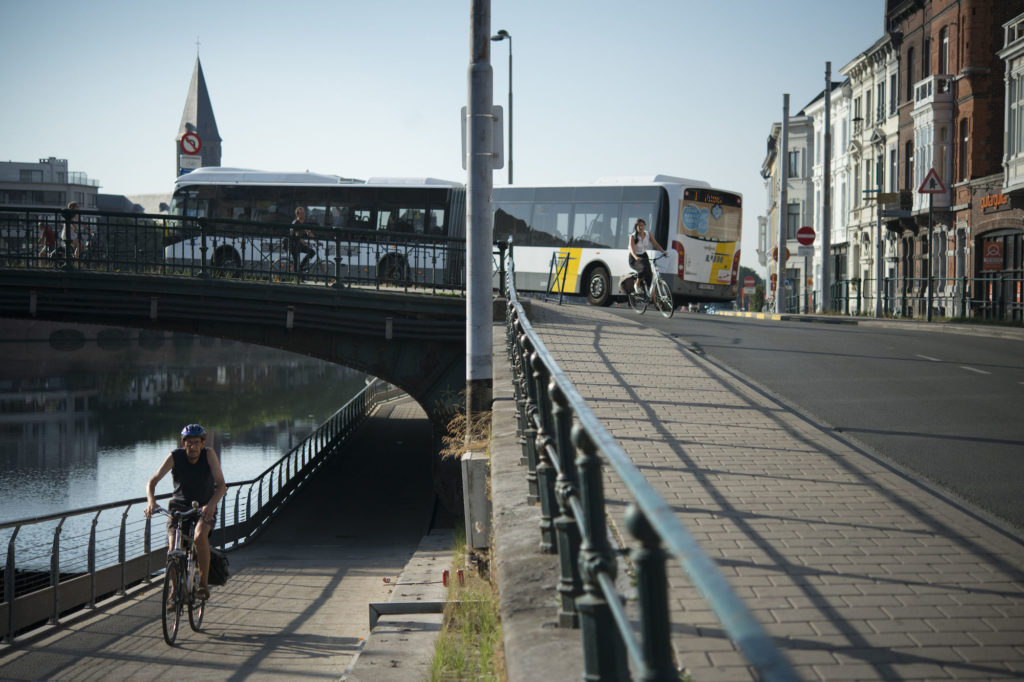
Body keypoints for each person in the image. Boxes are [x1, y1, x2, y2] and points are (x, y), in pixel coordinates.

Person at [145, 424, 226, 600]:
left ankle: (203, 586)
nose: (193, 446)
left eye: (197, 442)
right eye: (189, 442)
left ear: (203, 443)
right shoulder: (176, 456)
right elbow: (152, 481)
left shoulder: (209, 454)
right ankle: (176, 591)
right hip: (178, 509)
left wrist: (211, 505)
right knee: (173, 548)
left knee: (199, 537)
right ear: (184, 443)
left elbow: (221, 486)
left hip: (204, 507)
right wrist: (151, 501)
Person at [627, 218, 666, 294]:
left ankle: (650, 295)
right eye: (638, 226)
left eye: (642, 225)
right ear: (636, 227)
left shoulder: (648, 234)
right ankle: (637, 285)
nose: (640, 227)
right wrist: (636, 257)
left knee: (649, 275)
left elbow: (655, 244)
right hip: (634, 258)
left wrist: (663, 251)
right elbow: (632, 249)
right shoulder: (633, 236)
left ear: (645, 226)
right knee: (642, 269)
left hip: (644, 255)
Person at [290, 206, 317, 279]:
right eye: (302, 213)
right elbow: (297, 235)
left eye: (304, 213)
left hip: (298, 244)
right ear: (298, 215)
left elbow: (309, 232)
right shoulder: (296, 223)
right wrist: (305, 243)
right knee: (296, 262)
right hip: (293, 245)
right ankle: (297, 279)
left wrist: (317, 241)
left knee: (312, 252)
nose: (304, 215)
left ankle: (301, 268)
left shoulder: (303, 223)